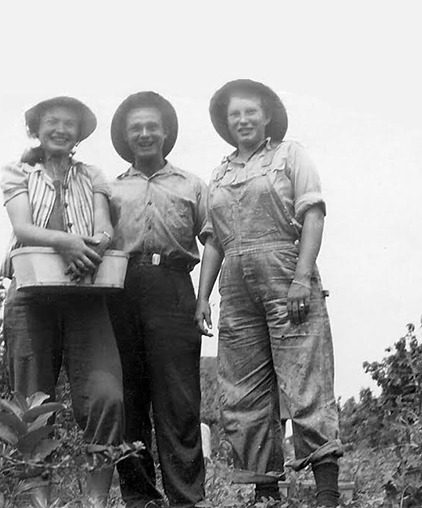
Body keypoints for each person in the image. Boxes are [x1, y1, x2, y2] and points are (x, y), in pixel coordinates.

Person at [195, 79, 343, 507]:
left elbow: (313, 214)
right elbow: (214, 241)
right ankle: (265, 492)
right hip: (236, 286)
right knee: (244, 389)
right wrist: (203, 297)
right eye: (234, 115)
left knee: (305, 380)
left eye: (250, 112)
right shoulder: (220, 172)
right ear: (227, 123)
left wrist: (301, 278)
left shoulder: (291, 155)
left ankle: (327, 493)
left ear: (267, 117)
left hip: (285, 272)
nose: (243, 120)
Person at [0, 96, 124, 507]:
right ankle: (39, 502)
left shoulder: (92, 175)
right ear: (37, 128)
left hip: (85, 295)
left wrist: (95, 246)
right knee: (31, 404)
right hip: (30, 296)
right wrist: (67, 242)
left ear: (78, 134)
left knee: (108, 397)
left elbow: (105, 227)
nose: (60, 129)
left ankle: (96, 501)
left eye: (69, 124)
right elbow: (23, 226)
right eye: (52, 121)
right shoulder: (17, 171)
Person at [106, 91, 207, 508]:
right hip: (121, 291)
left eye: (152, 126)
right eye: (136, 128)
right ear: (127, 137)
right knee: (128, 399)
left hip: (174, 288)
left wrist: (203, 299)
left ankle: (187, 498)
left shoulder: (192, 185)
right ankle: (140, 498)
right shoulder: (108, 190)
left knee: (180, 401)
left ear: (165, 132)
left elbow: (214, 241)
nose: (145, 134)